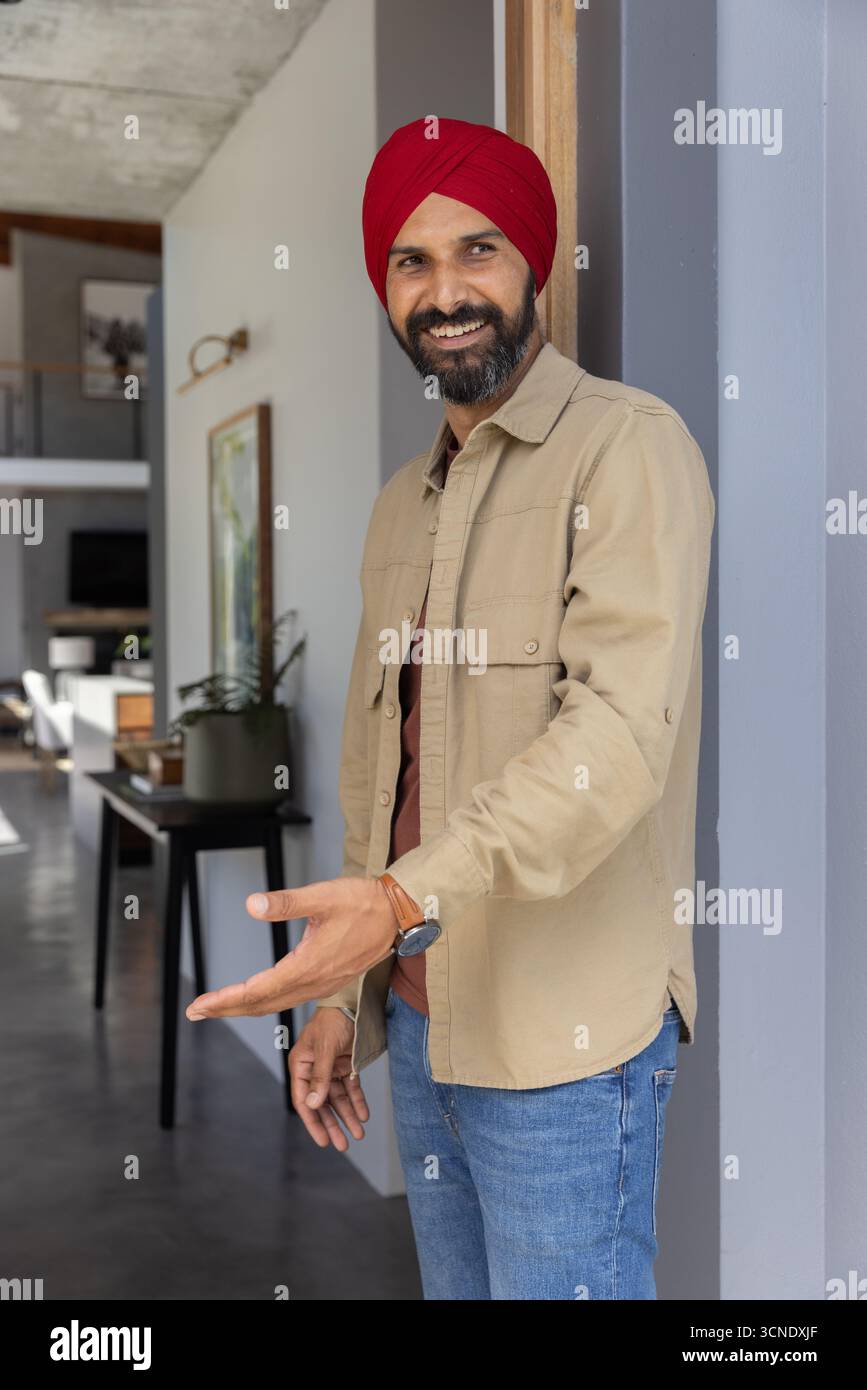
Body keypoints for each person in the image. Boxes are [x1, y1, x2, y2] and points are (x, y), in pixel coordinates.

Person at [186, 116, 714, 1300]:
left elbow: (618, 739)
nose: (445, 291)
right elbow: (389, 770)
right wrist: (340, 993)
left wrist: (396, 900)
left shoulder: (628, 451)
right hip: (423, 1031)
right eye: (410, 263)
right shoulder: (396, 506)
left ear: (533, 264)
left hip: (566, 1045)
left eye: (477, 250)